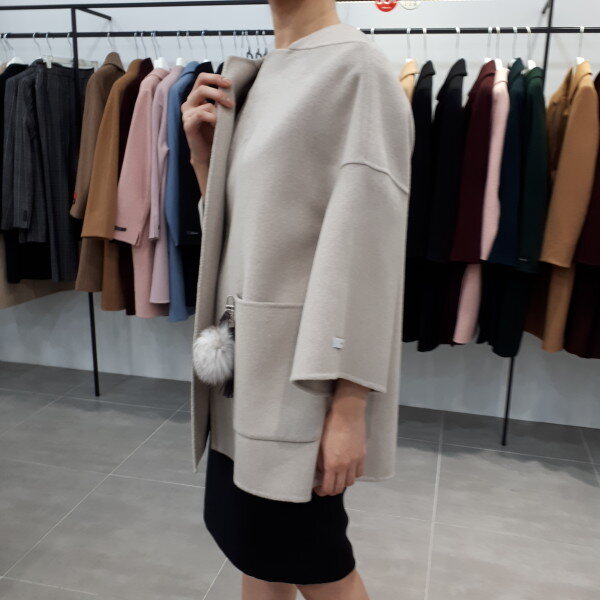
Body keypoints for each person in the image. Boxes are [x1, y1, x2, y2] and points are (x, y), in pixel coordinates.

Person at [182, 1, 413, 598]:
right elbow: (247, 236)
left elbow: (369, 254)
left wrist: (350, 407)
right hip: (245, 378)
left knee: (318, 566)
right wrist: (204, 160)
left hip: (299, 387)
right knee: (254, 553)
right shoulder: (260, 73)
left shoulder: (357, 71)